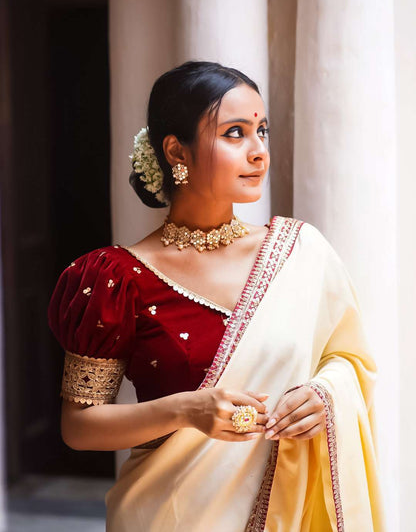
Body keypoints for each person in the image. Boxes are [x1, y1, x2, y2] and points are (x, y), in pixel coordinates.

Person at [47, 60, 386, 531]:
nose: (259, 152)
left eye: (262, 131)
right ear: (176, 151)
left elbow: (350, 361)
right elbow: (79, 426)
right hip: (168, 514)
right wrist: (187, 410)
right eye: (234, 133)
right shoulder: (116, 277)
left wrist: (324, 395)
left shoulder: (301, 253)